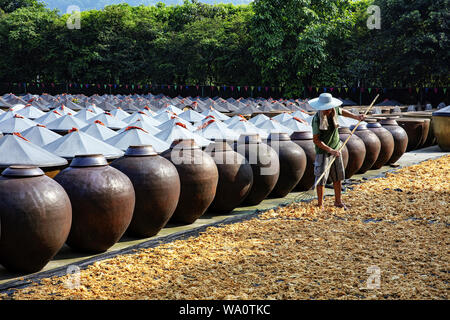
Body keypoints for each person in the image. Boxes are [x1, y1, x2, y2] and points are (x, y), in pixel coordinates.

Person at [309, 93, 366, 210]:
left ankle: (338, 201)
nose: (328, 110)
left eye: (329, 108)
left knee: (338, 176)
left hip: (336, 147)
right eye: (325, 109)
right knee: (321, 178)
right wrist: (330, 150)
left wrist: (356, 117)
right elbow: (316, 140)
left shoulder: (334, 110)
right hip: (323, 151)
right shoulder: (316, 120)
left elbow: (342, 111)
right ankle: (320, 204)